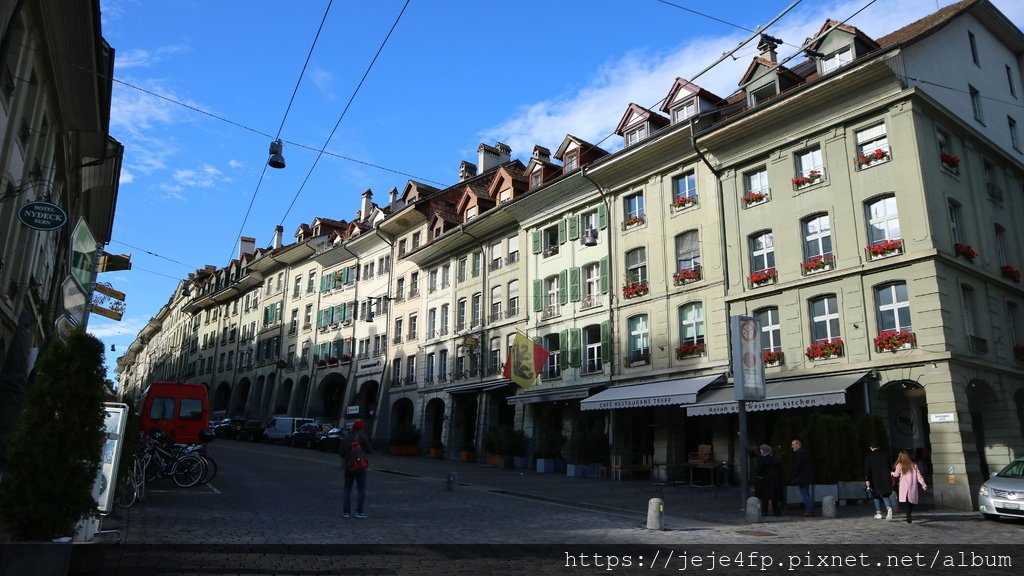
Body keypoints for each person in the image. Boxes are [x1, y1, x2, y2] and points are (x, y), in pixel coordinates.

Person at [339, 420, 373, 519]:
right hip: (360, 466)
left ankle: (346, 512)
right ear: (361, 428)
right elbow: (370, 450)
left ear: (353, 428)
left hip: (349, 466)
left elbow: (341, 453)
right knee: (361, 489)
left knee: (347, 489)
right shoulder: (363, 437)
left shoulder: (346, 438)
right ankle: (359, 512)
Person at [891, 449, 928, 523]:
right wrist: (923, 485)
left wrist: (890, 473)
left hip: (904, 485)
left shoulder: (899, 465)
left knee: (906, 501)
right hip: (912, 485)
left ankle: (908, 515)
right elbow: (919, 476)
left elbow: (896, 474)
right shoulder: (914, 465)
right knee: (911, 501)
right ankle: (909, 514)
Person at [864, 441, 894, 520]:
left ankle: (878, 513)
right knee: (885, 494)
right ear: (879, 447)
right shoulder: (885, 454)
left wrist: (867, 479)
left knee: (875, 495)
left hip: (874, 478)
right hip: (885, 477)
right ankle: (889, 508)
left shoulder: (869, 456)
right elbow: (891, 466)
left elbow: (867, 469)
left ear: (871, 448)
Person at [755, 444, 782, 516]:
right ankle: (776, 511)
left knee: (765, 496)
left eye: (761, 449)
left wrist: (759, 475)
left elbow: (760, 468)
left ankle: (765, 511)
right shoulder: (775, 458)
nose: (760, 451)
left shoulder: (762, 458)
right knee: (774, 496)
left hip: (765, 479)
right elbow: (779, 469)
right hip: (775, 479)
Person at [791, 438, 814, 517]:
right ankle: (810, 510)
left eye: (793, 445)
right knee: (807, 494)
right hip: (807, 477)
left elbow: (798, 465)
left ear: (798, 445)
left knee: (805, 494)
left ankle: (808, 511)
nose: (792, 446)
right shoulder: (805, 452)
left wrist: (795, 476)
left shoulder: (799, 453)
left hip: (802, 477)